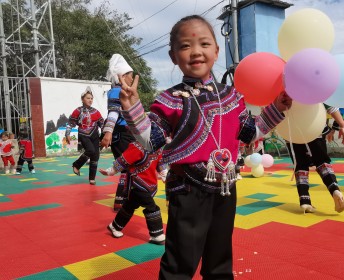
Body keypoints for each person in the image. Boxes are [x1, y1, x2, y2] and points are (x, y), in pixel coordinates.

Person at [117, 14, 292, 280]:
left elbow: (248, 133)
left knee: (220, 261)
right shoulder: (169, 100)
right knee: (180, 263)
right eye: (185, 46)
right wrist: (133, 109)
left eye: (204, 44)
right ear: (173, 55)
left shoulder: (233, 97)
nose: (196, 52)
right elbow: (151, 139)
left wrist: (277, 107)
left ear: (216, 50)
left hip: (225, 189)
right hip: (187, 190)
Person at [99, 141, 167, 244]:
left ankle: (115, 226)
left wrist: (164, 174)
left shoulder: (156, 146)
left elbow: (160, 162)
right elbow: (123, 161)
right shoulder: (137, 147)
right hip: (138, 183)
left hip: (149, 183)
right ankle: (156, 234)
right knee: (151, 207)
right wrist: (110, 171)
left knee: (129, 206)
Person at [286, 105, 344, 214]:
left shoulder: (284, 89)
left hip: (292, 131)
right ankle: (335, 190)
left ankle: (305, 201)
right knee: (322, 162)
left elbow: (274, 109)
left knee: (300, 165)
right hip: (314, 128)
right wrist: (342, 125)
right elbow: (331, 108)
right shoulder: (313, 87)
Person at [100, 54, 136, 211]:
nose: (132, 78)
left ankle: (122, 200)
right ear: (122, 76)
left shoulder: (116, 90)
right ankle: (121, 201)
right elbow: (114, 113)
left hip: (121, 134)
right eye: (130, 75)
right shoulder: (117, 91)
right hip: (121, 134)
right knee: (128, 167)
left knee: (127, 167)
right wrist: (108, 133)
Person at [66, 87, 104, 185]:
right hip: (83, 134)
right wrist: (67, 134)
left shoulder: (96, 111)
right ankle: (76, 165)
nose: (90, 100)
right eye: (88, 98)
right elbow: (71, 123)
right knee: (90, 151)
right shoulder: (77, 111)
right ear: (83, 99)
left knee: (95, 156)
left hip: (95, 134)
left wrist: (106, 135)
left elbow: (102, 124)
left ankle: (92, 178)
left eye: (91, 98)